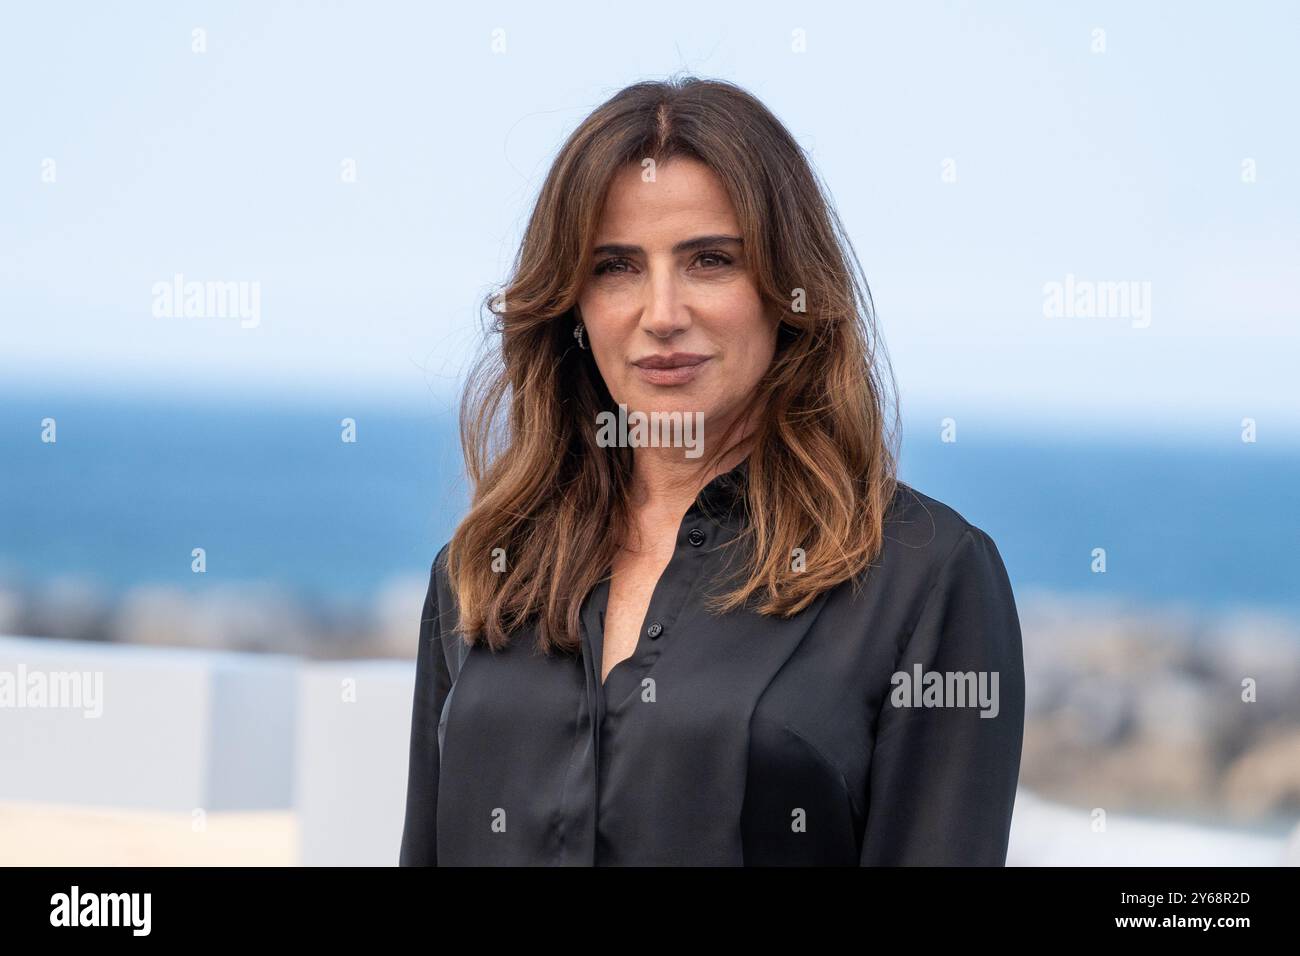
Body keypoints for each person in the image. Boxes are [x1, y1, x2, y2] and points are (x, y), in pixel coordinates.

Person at [400, 75, 1024, 866]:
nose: (661, 314)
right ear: (571, 307)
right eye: (616, 266)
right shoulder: (483, 569)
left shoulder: (927, 577)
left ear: (787, 290)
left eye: (710, 260)